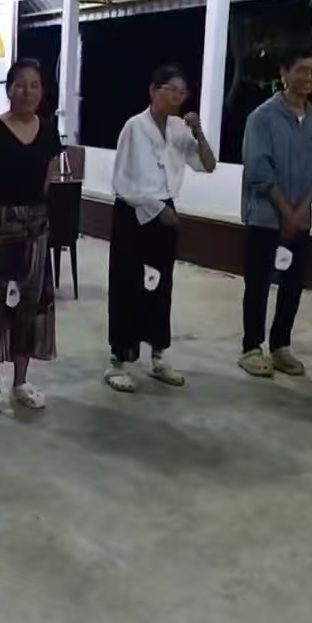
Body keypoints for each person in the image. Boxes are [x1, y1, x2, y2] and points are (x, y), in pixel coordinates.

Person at [105, 64, 217, 393]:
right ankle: (118, 360)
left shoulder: (181, 129)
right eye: (172, 91)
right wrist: (156, 209)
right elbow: (122, 181)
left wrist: (198, 131)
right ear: (154, 91)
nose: (178, 98)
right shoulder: (134, 127)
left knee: (160, 285)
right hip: (133, 212)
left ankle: (158, 355)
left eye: (183, 93)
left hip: (165, 212)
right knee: (127, 285)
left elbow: (208, 165)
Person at [0, 58, 62, 413]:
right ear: (8, 89)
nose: (27, 92)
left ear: (42, 91)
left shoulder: (48, 131)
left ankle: (21, 381)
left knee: (30, 304)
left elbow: (48, 176)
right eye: (20, 84)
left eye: (34, 85)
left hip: (35, 228)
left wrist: (32, 212)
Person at [238, 44, 312, 378]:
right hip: (265, 218)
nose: (309, 77)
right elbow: (258, 170)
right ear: (283, 73)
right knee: (258, 284)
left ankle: (281, 346)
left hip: (301, 221)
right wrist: (286, 212)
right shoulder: (262, 118)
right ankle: (251, 348)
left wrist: (301, 212)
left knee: (292, 285)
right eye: (302, 70)